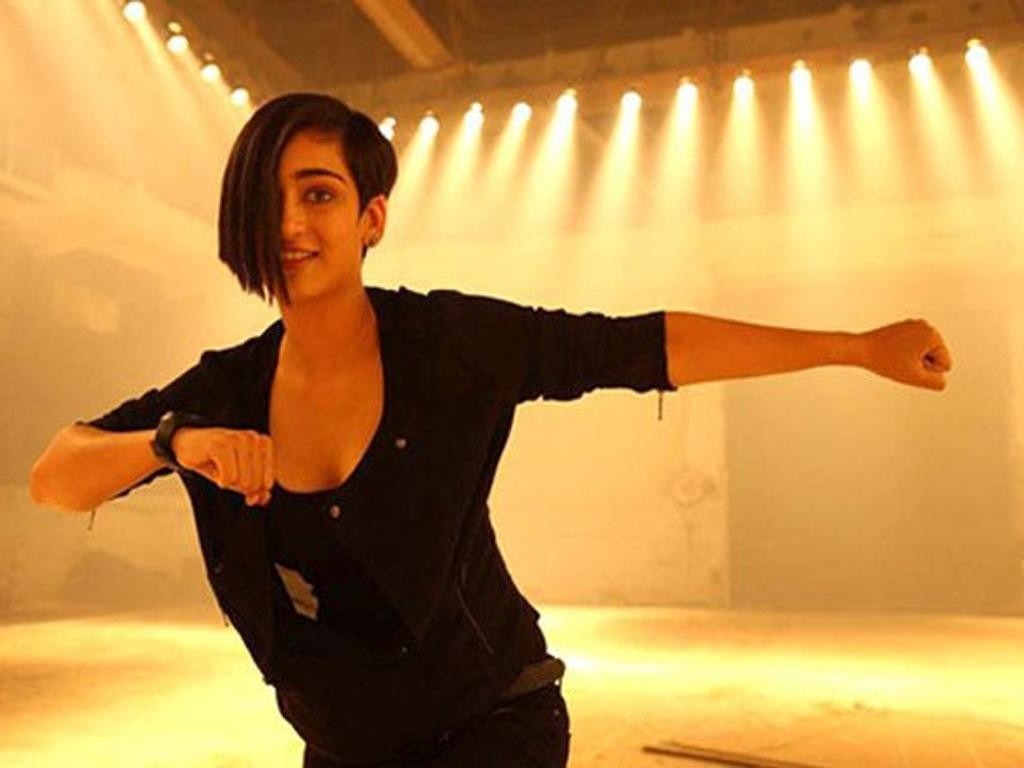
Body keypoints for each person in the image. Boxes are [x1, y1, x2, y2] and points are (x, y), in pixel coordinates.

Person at [29, 92, 952, 767]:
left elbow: (639, 346)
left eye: (318, 195)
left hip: (490, 722)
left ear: (371, 218)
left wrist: (854, 347)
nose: (290, 224)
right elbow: (57, 475)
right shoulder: (225, 390)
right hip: (346, 747)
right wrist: (172, 443)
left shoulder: (451, 344)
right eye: (270, 198)